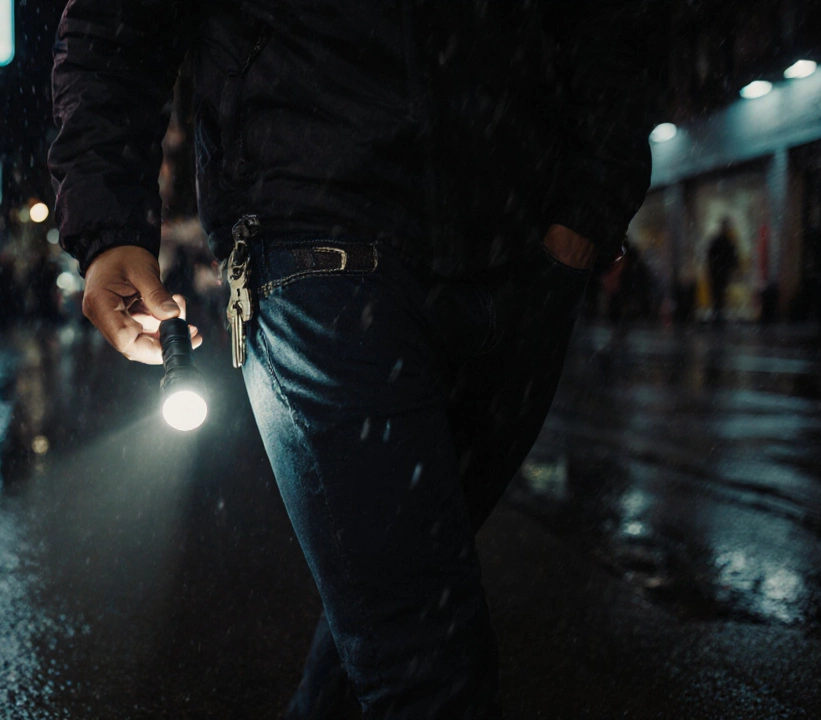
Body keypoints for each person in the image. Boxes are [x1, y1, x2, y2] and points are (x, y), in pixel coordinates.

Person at [49, 3, 656, 718]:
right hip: (316, 246)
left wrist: (587, 208)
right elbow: (113, 25)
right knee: (429, 660)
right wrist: (109, 226)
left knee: (389, 622)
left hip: (520, 254)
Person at [706, 219, 739, 325]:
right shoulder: (727, 241)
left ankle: (717, 314)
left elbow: (710, 256)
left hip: (717, 272)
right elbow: (732, 257)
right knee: (719, 294)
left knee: (717, 294)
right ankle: (718, 314)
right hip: (720, 272)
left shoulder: (719, 240)